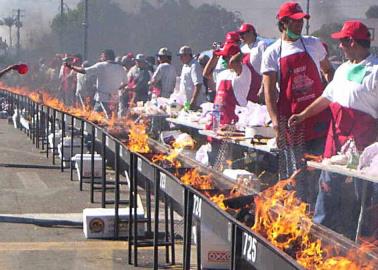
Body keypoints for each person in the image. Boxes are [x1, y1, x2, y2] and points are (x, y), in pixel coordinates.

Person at [288, 21, 378, 236]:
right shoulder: (343, 69)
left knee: (363, 194)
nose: (339, 46)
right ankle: (320, 235)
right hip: (335, 140)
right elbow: (326, 98)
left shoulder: (375, 70)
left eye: (342, 42)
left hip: (363, 144)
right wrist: (302, 115)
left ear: (353, 42)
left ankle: (363, 245)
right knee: (327, 188)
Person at [261, 1, 334, 203]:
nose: (299, 25)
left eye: (301, 21)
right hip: (292, 124)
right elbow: (269, 92)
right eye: (294, 22)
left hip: (319, 121)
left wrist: (331, 93)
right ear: (283, 23)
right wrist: (275, 123)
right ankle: (298, 214)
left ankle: (319, 217)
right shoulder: (272, 52)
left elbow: (328, 70)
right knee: (297, 175)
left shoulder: (313, 44)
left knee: (320, 173)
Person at [66, 49, 127, 118]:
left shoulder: (101, 65)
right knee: (112, 119)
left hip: (102, 99)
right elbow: (125, 83)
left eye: (102, 56)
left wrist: (71, 67)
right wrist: (115, 89)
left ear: (106, 56)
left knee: (95, 119)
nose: (101, 58)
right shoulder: (121, 68)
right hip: (114, 100)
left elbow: (84, 71)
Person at [211, 43, 251, 126]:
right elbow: (206, 74)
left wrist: (240, 53)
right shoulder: (222, 74)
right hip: (217, 118)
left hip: (235, 118)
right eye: (223, 57)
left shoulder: (244, 71)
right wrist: (214, 57)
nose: (223, 60)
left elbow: (233, 62)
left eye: (225, 57)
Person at [238, 23, 267, 103]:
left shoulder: (261, 45)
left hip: (260, 87)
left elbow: (266, 68)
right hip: (247, 88)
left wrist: (263, 88)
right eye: (240, 34)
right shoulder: (242, 49)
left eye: (243, 33)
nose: (241, 36)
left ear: (251, 32)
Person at [178, 45, 206, 110]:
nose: (180, 58)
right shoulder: (185, 66)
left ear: (188, 55)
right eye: (180, 56)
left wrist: (193, 100)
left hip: (195, 102)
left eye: (182, 56)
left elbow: (198, 84)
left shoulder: (194, 65)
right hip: (186, 101)